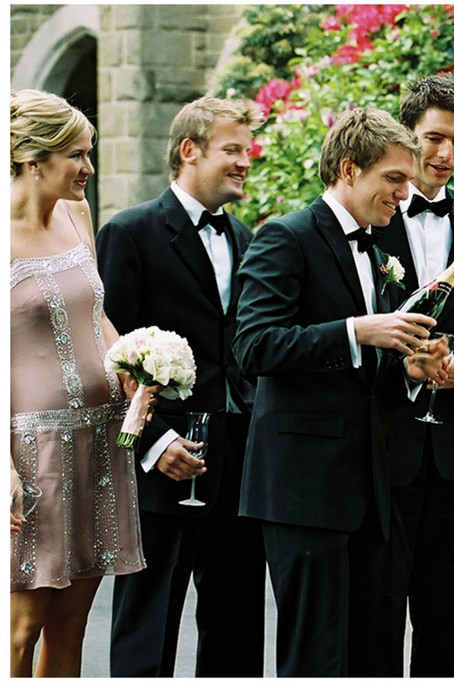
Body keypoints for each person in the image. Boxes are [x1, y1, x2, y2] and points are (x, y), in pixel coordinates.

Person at [232, 106, 447, 677]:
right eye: (394, 178)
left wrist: (409, 370)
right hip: (305, 489)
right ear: (349, 169)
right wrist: (356, 330)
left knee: (376, 653)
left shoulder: (377, 250)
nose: (405, 193)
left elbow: (366, 377)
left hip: (372, 485)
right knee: (316, 656)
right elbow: (253, 346)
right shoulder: (285, 237)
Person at [95, 96, 267, 677]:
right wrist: (153, 443)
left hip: (237, 461)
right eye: (232, 150)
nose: (245, 161)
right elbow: (108, 355)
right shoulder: (129, 232)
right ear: (189, 150)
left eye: (247, 150)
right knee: (148, 627)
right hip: (161, 466)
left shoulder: (245, 237)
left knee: (236, 628)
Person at [367, 72, 454, 677]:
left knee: (448, 614)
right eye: (433, 138)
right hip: (381, 442)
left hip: (451, 445)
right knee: (376, 613)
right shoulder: (369, 214)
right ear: (408, 135)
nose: (446, 154)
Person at [10, 89, 149, 677]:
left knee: (70, 628)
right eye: (76, 155)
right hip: (30, 455)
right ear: (32, 160)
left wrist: (132, 365)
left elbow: (96, 314)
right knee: (19, 632)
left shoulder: (76, 213)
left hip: (100, 439)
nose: (89, 167)